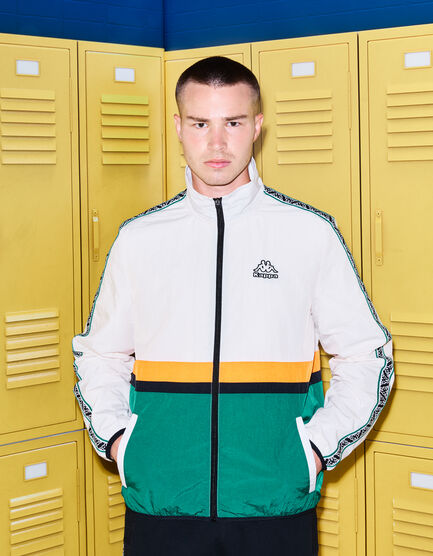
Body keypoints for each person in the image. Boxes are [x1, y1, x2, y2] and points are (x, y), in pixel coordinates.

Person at [72, 56, 394, 555]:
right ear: (178, 127)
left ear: (257, 127)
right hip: (163, 506)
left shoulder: (308, 234)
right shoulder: (139, 239)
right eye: (201, 124)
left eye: (234, 123)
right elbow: (100, 354)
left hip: (274, 507)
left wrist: (314, 449)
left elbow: (367, 354)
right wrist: (121, 441)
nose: (217, 143)